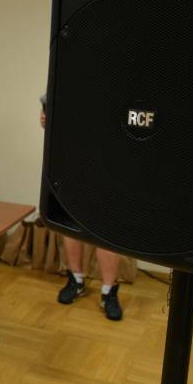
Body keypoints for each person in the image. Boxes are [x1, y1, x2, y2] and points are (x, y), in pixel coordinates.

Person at [41, 94, 123, 321]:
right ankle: (76, 280)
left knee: (106, 232)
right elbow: (50, 106)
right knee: (71, 226)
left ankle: (109, 292)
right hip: (72, 165)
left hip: (108, 167)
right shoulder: (69, 81)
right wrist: (47, 118)